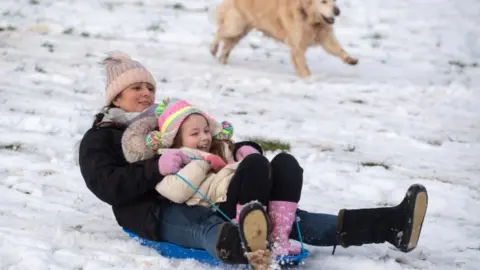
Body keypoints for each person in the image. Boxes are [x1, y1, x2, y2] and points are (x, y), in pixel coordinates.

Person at [77, 51, 429, 268]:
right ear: (115, 96)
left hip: (210, 189)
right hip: (154, 210)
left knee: (285, 219)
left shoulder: (166, 119)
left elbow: (210, 138)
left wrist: (246, 148)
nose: (146, 93)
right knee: (209, 227)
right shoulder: (100, 138)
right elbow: (107, 186)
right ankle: (240, 248)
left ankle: (390, 224)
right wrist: (154, 168)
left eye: (149, 87)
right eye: (136, 88)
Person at [120, 97, 303, 257]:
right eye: (195, 133)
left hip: (250, 198)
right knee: (256, 164)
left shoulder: (220, 149)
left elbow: (244, 166)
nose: (205, 137)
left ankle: (279, 238)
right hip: (221, 209)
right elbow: (176, 193)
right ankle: (247, 235)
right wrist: (203, 162)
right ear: (175, 138)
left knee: (285, 162)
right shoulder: (170, 160)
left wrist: (243, 152)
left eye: (207, 131)